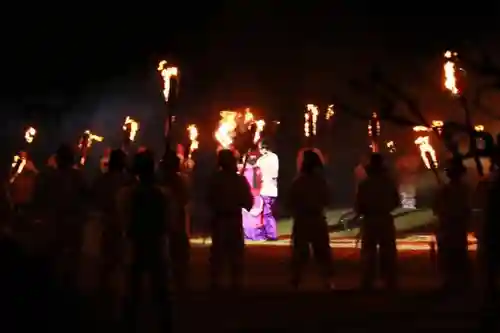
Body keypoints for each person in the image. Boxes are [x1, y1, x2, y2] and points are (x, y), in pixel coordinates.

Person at [119, 150, 171, 332]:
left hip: (139, 242)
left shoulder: (127, 193)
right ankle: (163, 322)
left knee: (135, 287)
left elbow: (124, 217)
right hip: (150, 242)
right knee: (157, 287)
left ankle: (131, 322)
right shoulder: (162, 193)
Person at [33, 144, 88, 288]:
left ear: (57, 159)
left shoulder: (48, 177)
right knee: (68, 262)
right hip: (68, 225)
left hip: (56, 225)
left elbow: (38, 199)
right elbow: (87, 198)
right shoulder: (77, 177)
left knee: (56, 259)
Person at [92, 149, 133, 318]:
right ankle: (114, 298)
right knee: (119, 261)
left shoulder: (104, 180)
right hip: (118, 223)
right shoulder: (126, 180)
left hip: (112, 222)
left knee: (109, 261)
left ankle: (107, 295)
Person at [206, 149, 253, 290]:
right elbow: (248, 202)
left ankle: (217, 284)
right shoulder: (238, 180)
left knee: (220, 256)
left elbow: (209, 200)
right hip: (231, 220)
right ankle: (234, 285)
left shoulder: (215, 179)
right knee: (233, 255)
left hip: (222, 220)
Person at [288, 149, 334, 290]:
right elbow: (327, 200)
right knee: (321, 251)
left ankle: (296, 280)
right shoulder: (320, 182)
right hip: (316, 218)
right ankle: (326, 281)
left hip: (302, 219)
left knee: (300, 251)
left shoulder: (298, 182)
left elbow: (290, 202)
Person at [355, 153, 400, 290]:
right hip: (385, 218)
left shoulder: (364, 185)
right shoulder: (389, 183)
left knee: (369, 252)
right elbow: (396, 202)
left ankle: (368, 280)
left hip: (370, 220)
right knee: (388, 251)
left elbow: (359, 204)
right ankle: (389, 280)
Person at [432, 158, 471, 290]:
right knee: (452, 254)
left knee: (454, 254)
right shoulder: (461, 188)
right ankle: (454, 281)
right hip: (452, 224)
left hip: (454, 224)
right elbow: (437, 208)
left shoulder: (461, 189)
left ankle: (457, 281)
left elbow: (437, 208)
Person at [159, 149, 191, 291]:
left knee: (178, 255)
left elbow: (185, 198)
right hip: (166, 223)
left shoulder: (180, 180)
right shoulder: (161, 181)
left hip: (176, 221)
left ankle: (179, 284)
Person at [255, 140, 279, 241]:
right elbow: (275, 174)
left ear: (263, 148)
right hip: (273, 189)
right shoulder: (275, 157)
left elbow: (256, 172)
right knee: (269, 212)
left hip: (265, 189)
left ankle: (271, 234)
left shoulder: (261, 160)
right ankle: (269, 232)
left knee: (266, 213)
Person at [241, 154, 265, 241]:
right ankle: (253, 235)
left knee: (252, 216)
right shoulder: (255, 170)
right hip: (253, 194)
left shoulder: (249, 170)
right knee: (251, 216)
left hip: (253, 194)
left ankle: (251, 235)